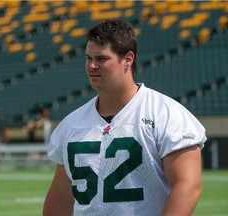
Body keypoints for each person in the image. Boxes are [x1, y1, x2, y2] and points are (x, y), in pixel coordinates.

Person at [43, 20, 207, 216]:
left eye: (102, 58)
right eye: (88, 58)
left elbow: (187, 186)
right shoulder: (71, 124)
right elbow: (61, 197)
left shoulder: (166, 114)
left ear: (128, 59)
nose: (92, 65)